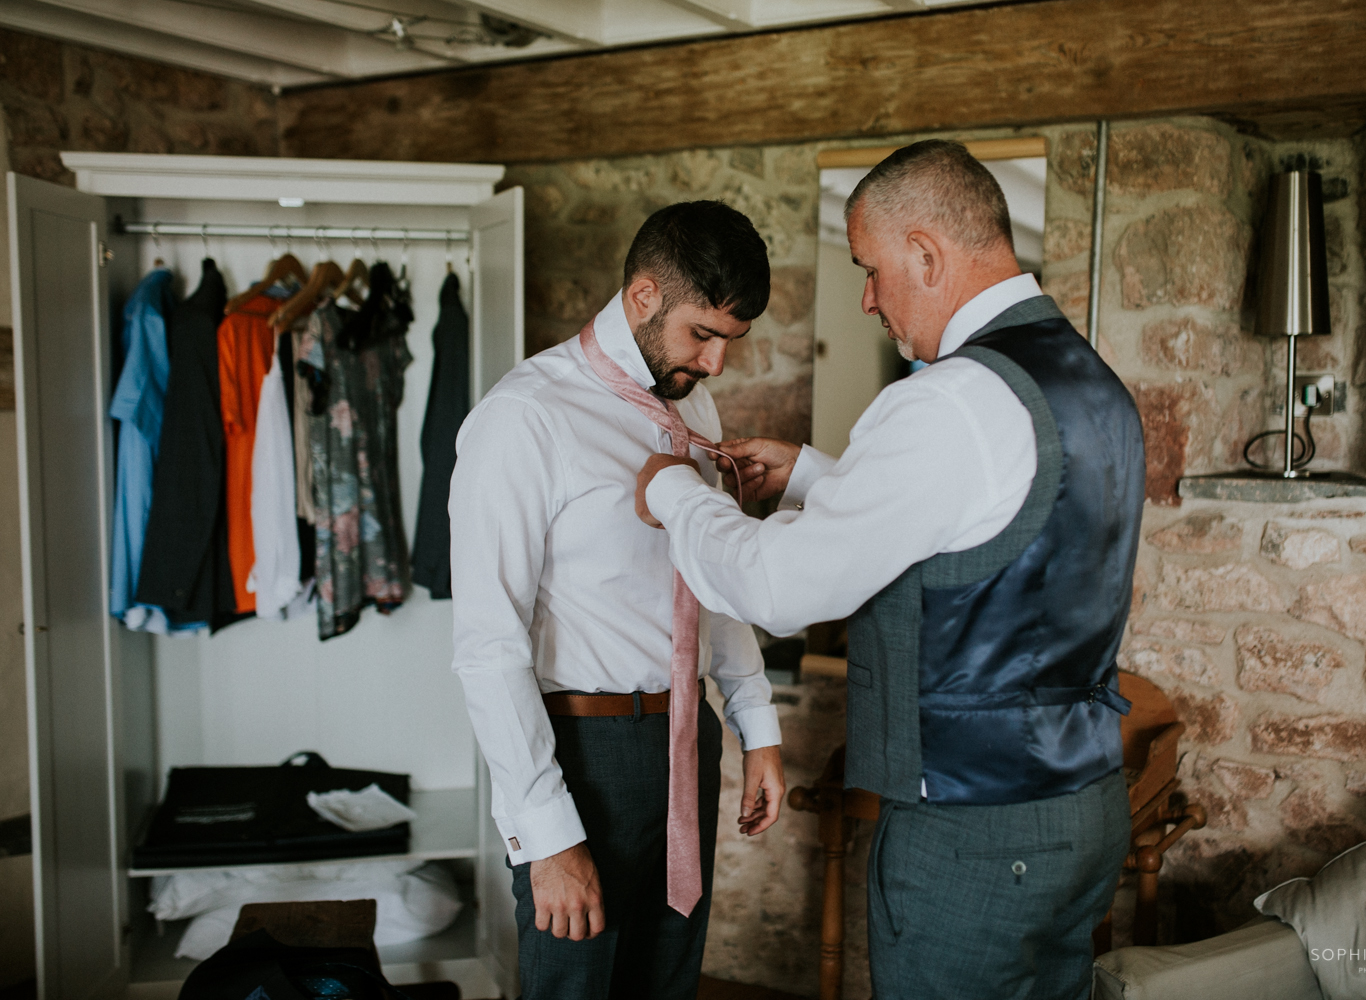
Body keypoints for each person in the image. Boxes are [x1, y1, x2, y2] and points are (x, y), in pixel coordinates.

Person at [635, 141, 1145, 1000]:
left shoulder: (945, 401)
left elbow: (781, 589)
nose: (866, 296)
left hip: (972, 828)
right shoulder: (1089, 383)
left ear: (926, 253)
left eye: (871, 268)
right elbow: (985, 532)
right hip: (1082, 809)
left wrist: (680, 498)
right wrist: (808, 475)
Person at [450, 200, 786, 999]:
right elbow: (487, 646)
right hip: (580, 754)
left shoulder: (689, 405)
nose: (715, 365)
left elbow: (712, 573)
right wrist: (547, 839)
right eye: (702, 333)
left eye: (729, 342)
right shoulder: (523, 418)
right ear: (643, 297)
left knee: (666, 983)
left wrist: (755, 725)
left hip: (685, 738)